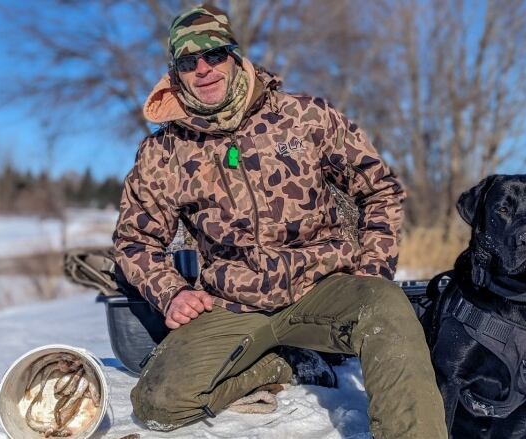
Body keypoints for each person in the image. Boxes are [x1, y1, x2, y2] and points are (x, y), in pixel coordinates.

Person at [113, 4, 446, 438]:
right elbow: (133, 240)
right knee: (157, 403)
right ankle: (285, 363)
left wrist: (371, 271)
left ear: (233, 55)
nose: (204, 69)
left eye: (213, 54)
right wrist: (171, 291)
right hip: (234, 302)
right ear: (175, 73)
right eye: (188, 61)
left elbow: (380, 189)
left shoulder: (305, 116)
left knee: (387, 308)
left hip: (323, 286)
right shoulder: (164, 152)